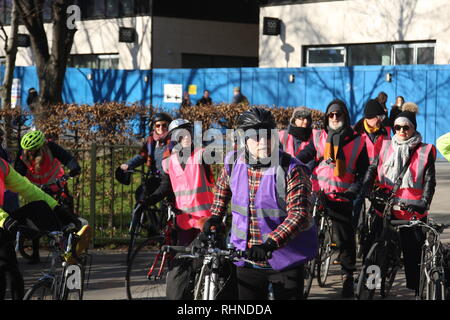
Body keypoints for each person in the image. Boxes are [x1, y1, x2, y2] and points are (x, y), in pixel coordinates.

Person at [203, 107, 317, 300]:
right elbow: (222, 191)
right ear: (244, 140)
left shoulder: (293, 169)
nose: (263, 142)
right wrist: (215, 216)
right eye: (256, 137)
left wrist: (269, 244)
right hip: (246, 259)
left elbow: (299, 214)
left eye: (268, 135)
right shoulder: (233, 162)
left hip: (285, 259)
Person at [297, 99, 369, 298]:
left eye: (338, 114)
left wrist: (354, 190)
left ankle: (347, 276)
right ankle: (301, 267)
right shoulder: (319, 137)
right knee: (301, 228)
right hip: (318, 192)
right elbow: (304, 155)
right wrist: (287, 163)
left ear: (345, 116)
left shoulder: (357, 140)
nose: (335, 118)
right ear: (326, 117)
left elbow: (363, 173)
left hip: (341, 195)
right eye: (331, 115)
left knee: (345, 237)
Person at [362, 107, 436, 295]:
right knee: (373, 247)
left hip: (411, 210)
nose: (402, 131)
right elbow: (372, 168)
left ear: (413, 129)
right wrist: (366, 186)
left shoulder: (425, 151)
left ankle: (417, 289)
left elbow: (429, 181)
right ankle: (370, 285)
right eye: (397, 127)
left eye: (406, 127)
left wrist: (425, 201)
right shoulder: (385, 145)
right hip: (385, 205)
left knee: (413, 253)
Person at [149, 119, 214, 299]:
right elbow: (165, 185)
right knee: (183, 263)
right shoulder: (169, 162)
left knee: (206, 261)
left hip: (205, 219)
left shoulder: (201, 153)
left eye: (187, 132)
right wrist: (150, 199)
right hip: (184, 221)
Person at [0, 157, 82, 300]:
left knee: (11, 270)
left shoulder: (2, 165)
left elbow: (29, 189)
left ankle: (63, 239)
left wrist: (59, 210)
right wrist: (5, 221)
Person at [14, 130, 81, 263]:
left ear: (40, 147)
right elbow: (17, 172)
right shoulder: (22, 153)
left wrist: (74, 168)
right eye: (27, 150)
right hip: (35, 189)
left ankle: (70, 250)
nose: (29, 152)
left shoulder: (50, 147)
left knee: (64, 215)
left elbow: (67, 158)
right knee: (36, 218)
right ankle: (35, 253)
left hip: (56, 185)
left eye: (32, 150)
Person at [352, 99, 391, 228]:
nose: (381, 120)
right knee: (355, 207)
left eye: (382, 116)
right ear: (369, 117)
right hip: (360, 177)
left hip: (379, 179)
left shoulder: (386, 132)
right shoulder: (355, 133)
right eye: (378, 117)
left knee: (381, 213)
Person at [278, 106, 315, 171]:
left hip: (308, 176)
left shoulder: (314, 136)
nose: (306, 121)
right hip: (286, 175)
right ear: (294, 120)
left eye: (308, 118)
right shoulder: (282, 135)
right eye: (302, 118)